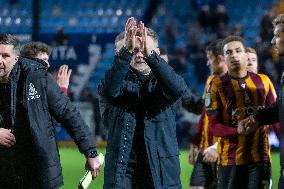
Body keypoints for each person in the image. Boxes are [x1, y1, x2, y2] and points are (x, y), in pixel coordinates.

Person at [0, 33, 101, 188]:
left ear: (16, 58)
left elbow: (68, 113)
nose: (0, 60)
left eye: (5, 55)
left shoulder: (37, 77)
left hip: (38, 169)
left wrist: (91, 152)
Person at [98, 17, 187, 189]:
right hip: (122, 170)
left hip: (161, 169)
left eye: (144, 49)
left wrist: (151, 57)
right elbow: (109, 91)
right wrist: (126, 52)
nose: (139, 53)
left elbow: (178, 90)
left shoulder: (165, 80)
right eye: (134, 49)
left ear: (158, 52)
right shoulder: (114, 79)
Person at [206, 36, 275, 189]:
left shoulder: (264, 81)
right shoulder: (216, 86)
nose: (234, 55)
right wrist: (236, 130)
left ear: (246, 55)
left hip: (260, 159)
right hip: (230, 161)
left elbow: (277, 116)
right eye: (229, 52)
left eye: (238, 51)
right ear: (224, 58)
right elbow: (213, 126)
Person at [238, 14, 284, 188]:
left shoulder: (265, 81)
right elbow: (280, 107)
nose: (273, 41)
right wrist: (257, 118)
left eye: (278, 35)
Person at [189, 39, 228, 189]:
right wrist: (195, 141)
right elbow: (204, 114)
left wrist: (218, 146)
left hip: (224, 152)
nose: (207, 63)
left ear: (219, 59)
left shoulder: (234, 85)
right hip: (204, 149)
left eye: (209, 59)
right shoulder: (210, 80)